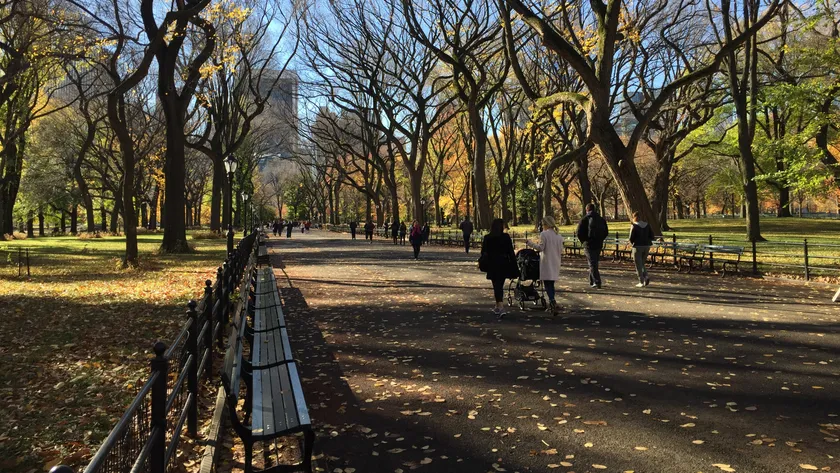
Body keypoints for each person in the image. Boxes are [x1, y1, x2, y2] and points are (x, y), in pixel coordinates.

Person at [526, 216, 565, 314]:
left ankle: (552, 302)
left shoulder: (544, 234)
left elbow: (541, 248)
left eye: (543, 224)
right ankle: (553, 301)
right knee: (551, 283)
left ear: (546, 224)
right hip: (556, 261)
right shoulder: (558, 236)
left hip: (547, 261)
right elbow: (561, 249)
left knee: (547, 283)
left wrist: (530, 243)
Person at [480, 218, 517, 318]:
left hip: (492, 263)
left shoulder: (488, 237)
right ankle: (498, 305)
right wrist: (514, 263)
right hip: (503, 262)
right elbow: (510, 251)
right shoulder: (505, 237)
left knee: (496, 284)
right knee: (500, 284)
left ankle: (500, 306)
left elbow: (483, 251)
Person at [576, 203, 608, 288]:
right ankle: (592, 281)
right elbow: (606, 232)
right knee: (594, 262)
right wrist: (600, 239)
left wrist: (583, 241)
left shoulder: (584, 219)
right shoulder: (601, 219)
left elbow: (578, 232)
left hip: (588, 244)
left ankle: (597, 282)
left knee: (592, 263)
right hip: (598, 244)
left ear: (587, 210)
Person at [629, 211, 655, 287]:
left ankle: (641, 280)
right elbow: (652, 236)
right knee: (642, 263)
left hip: (637, 246)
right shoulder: (647, 225)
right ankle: (645, 276)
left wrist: (633, 243)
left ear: (634, 217)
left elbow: (631, 238)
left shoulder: (634, 225)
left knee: (638, 265)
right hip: (646, 246)